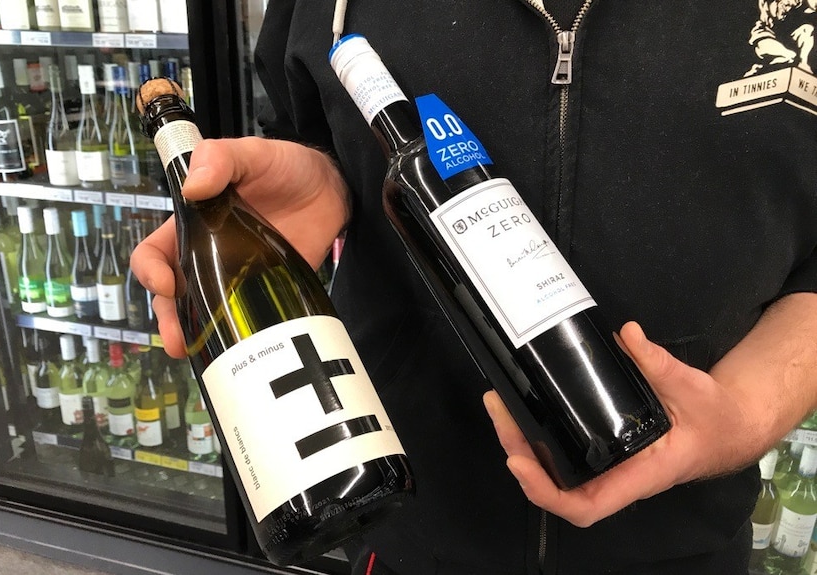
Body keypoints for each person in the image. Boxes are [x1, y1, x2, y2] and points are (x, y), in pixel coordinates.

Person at [131, 1, 817, 573]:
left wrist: (744, 415)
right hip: (412, 529)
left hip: (685, 545)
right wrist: (329, 180)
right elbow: (306, 121)